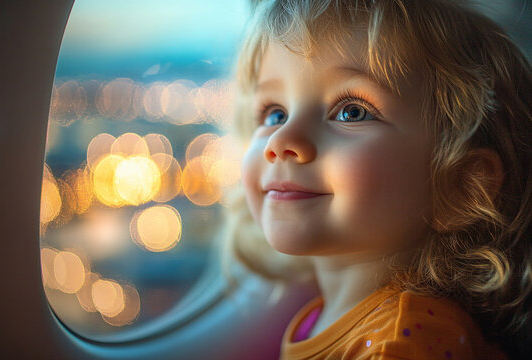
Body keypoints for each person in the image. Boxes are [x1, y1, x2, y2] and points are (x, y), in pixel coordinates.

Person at [225, 0, 532, 358]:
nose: (281, 142)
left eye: (351, 111)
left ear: (462, 186)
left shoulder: (407, 344)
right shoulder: (327, 318)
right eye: (275, 113)